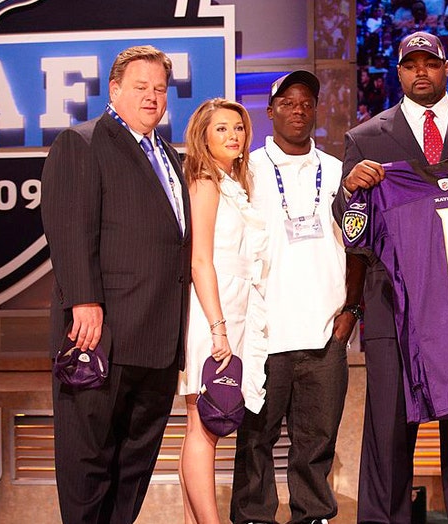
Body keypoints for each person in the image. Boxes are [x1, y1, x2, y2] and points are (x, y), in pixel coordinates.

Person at [334, 31, 448, 524]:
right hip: (392, 301)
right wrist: (350, 190)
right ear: (398, 72)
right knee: (389, 431)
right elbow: (352, 227)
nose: (421, 71)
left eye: (430, 63)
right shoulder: (365, 137)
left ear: (446, 68)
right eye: (410, 64)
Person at [41, 45, 191, 524]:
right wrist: (84, 300)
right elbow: (70, 228)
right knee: (89, 463)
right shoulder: (82, 142)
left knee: (133, 467)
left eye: (160, 89)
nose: (152, 97)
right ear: (114, 89)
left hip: (157, 342)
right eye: (141, 87)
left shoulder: (168, 155)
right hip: (101, 337)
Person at [230, 70, 355, 524]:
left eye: (306, 103)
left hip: (324, 330)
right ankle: (253, 517)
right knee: (256, 439)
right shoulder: (246, 170)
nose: (298, 110)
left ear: (316, 111)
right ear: (270, 111)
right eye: (287, 103)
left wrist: (351, 311)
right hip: (265, 329)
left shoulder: (338, 171)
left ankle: (314, 515)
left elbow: (357, 245)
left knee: (317, 441)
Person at [177, 98, 268, 524]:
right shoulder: (204, 181)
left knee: (202, 424)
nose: (234, 135)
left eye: (238, 128)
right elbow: (200, 261)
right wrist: (217, 327)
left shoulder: (235, 183)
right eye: (222, 129)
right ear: (203, 136)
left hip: (235, 309)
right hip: (211, 312)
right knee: (205, 423)